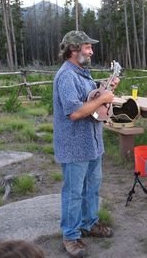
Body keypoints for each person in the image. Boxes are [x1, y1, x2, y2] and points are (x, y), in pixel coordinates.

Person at [53, 30, 119, 257]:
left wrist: (105, 92)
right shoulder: (66, 76)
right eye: (87, 47)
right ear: (74, 50)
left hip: (92, 144)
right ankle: (70, 236)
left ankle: (89, 224)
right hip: (73, 146)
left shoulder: (83, 73)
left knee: (92, 187)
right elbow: (74, 112)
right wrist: (102, 98)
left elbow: (92, 103)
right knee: (73, 193)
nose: (91, 51)